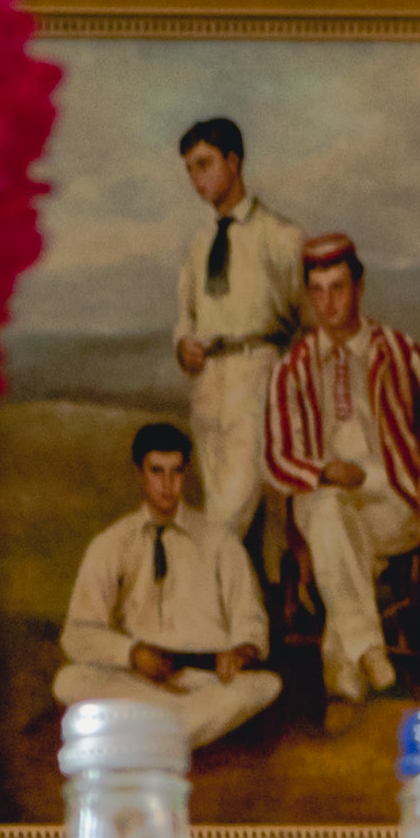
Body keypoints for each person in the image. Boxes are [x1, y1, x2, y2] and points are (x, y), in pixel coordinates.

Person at [256, 231, 420, 714]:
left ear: (360, 287)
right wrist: (324, 471)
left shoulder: (400, 351)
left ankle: (345, 663)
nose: (328, 303)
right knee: (328, 511)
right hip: (325, 493)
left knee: (335, 539)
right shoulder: (293, 369)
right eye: (318, 291)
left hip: (393, 495)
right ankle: (367, 654)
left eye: (338, 288)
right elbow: (277, 457)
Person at [54, 423, 281, 748]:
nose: (167, 485)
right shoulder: (113, 543)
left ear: (186, 473)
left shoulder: (220, 542)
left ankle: (148, 732)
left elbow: (251, 619)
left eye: (176, 472)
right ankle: (174, 731)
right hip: (138, 679)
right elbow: (77, 633)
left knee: (266, 685)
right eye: (156, 471)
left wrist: (242, 650)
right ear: (139, 473)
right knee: (69, 680)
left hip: (206, 682)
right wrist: (131, 654)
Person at [167, 114, 309, 572]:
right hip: (208, 382)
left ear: (234, 161)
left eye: (205, 164)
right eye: (190, 169)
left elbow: (305, 315)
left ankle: (193, 604)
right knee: (222, 505)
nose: (196, 178)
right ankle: (242, 625)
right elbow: (186, 314)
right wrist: (183, 345)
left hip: (257, 374)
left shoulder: (281, 237)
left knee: (229, 510)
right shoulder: (198, 243)